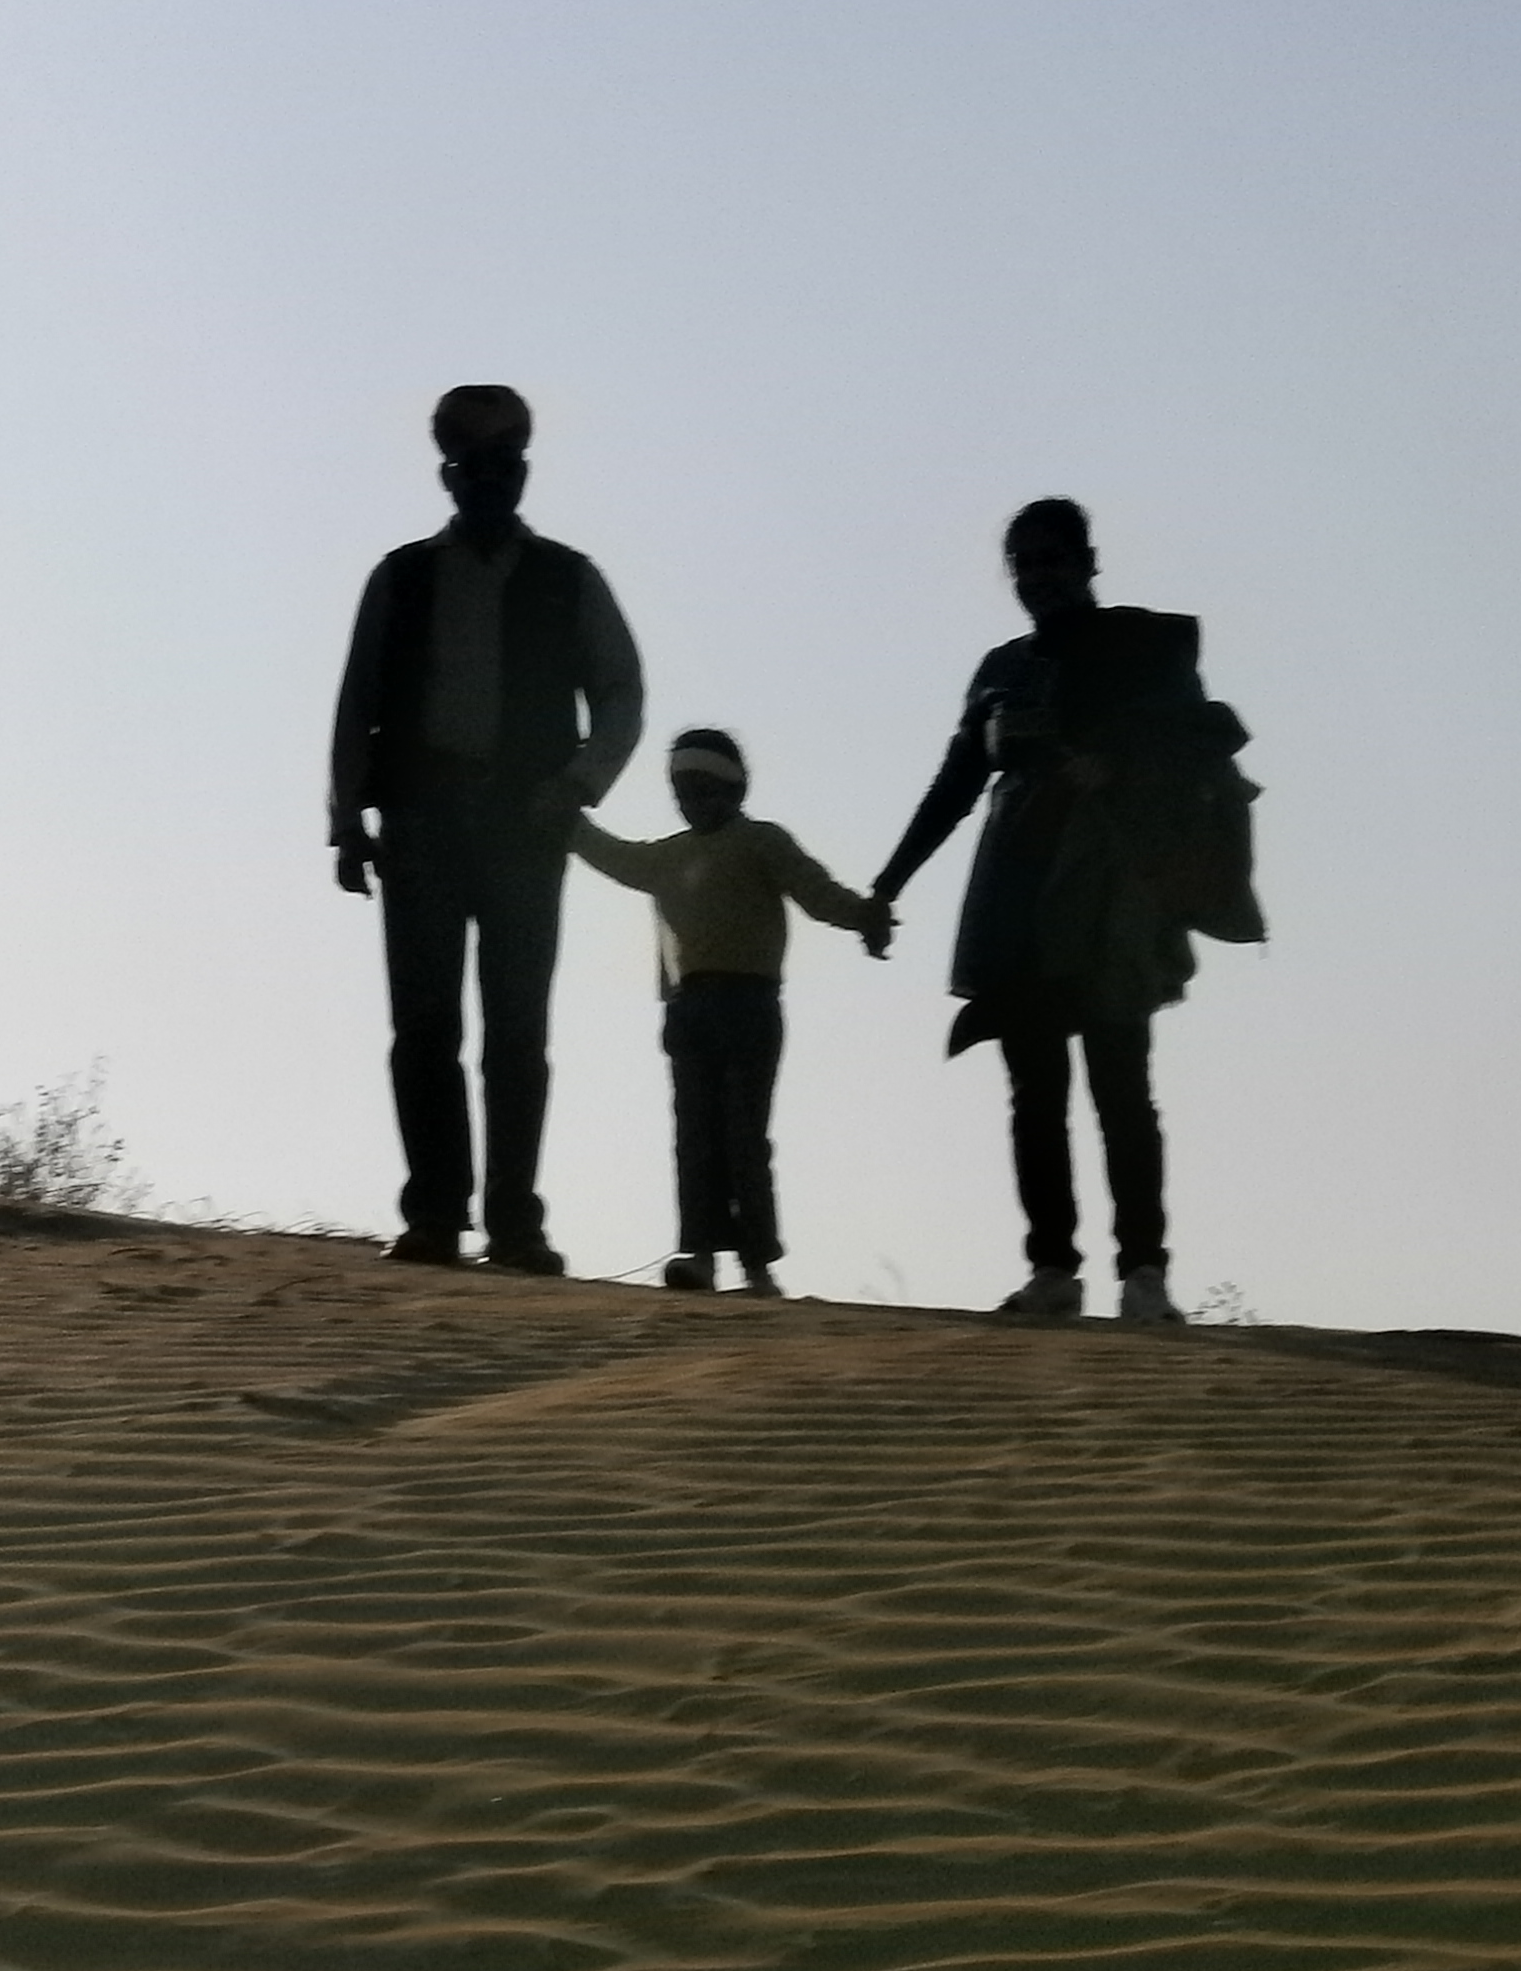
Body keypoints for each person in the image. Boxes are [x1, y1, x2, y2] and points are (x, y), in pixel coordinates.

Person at [870, 498, 1258, 1324]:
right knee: (1033, 1091)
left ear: (1087, 561)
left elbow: (1205, 736)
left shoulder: (1143, 646)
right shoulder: (1001, 670)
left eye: (1053, 558)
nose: (1040, 576)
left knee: (1122, 1084)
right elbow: (955, 785)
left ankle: (1145, 1274)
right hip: (1015, 893)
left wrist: (1113, 763)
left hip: (1110, 892)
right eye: (1025, 563)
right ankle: (1054, 1269)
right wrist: (889, 883)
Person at [328, 386, 646, 1271]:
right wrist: (346, 818)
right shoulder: (401, 576)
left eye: (503, 467)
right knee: (424, 1027)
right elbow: (358, 702)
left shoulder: (569, 578)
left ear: (523, 472)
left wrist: (579, 782)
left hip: (524, 828)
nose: (489, 481)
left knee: (517, 1030)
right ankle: (435, 1214)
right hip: (421, 820)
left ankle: (515, 1223)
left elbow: (621, 691)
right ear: (448, 474)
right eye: (473, 467)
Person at [572, 728, 889, 1296]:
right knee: (694, 1134)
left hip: (750, 1004)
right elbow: (614, 857)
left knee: (744, 1133)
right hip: (687, 1008)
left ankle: (756, 1264)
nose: (693, 802)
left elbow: (816, 892)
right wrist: (568, 823)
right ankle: (698, 1255)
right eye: (683, 791)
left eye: (703, 789)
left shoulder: (762, 842)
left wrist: (864, 915)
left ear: (734, 789)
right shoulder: (670, 854)